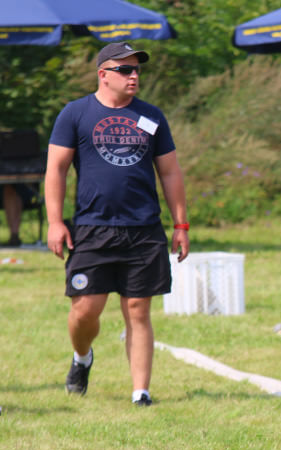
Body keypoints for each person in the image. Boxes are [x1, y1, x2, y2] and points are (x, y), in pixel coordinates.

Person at [45, 42, 189, 406]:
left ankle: (140, 392)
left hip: (143, 229)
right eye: (125, 69)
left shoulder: (151, 116)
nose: (134, 75)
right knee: (84, 310)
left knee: (138, 310)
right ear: (103, 74)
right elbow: (56, 169)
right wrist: (54, 222)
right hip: (92, 228)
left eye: (137, 69)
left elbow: (170, 172)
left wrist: (181, 224)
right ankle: (82, 358)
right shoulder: (75, 114)